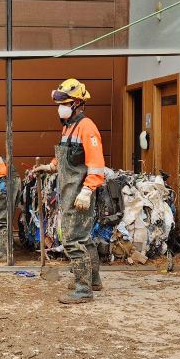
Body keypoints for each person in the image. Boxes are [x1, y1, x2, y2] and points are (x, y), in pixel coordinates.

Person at [32, 79, 106, 304]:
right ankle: (93, 280)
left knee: (74, 240)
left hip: (79, 193)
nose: (60, 107)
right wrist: (51, 166)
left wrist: (87, 191)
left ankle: (83, 290)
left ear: (76, 104)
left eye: (64, 103)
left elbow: (96, 164)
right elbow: (67, 155)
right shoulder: (68, 126)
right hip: (69, 190)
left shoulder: (87, 127)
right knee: (85, 238)